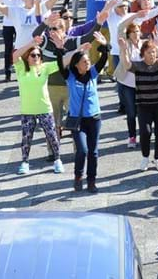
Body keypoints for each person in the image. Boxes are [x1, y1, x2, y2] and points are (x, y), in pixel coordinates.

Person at [118, 28, 158, 172]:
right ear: (143, 55)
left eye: (153, 52)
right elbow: (126, 63)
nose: (152, 55)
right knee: (145, 132)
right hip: (144, 105)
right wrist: (123, 50)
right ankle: (145, 157)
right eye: (149, 53)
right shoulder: (138, 66)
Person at [56, 31, 109, 193]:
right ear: (76, 64)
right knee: (82, 150)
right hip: (77, 120)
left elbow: (103, 58)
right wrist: (60, 49)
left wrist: (104, 45)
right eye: (84, 61)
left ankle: (91, 180)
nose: (88, 63)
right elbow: (60, 64)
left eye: (88, 61)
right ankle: (78, 176)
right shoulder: (70, 76)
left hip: (94, 118)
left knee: (93, 152)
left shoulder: (93, 73)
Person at [12, 36, 64, 175]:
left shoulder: (45, 67)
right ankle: (24, 162)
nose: (36, 57)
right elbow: (15, 55)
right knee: (26, 138)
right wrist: (31, 44)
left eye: (38, 55)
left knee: (52, 135)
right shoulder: (21, 68)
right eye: (33, 55)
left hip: (44, 109)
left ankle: (57, 160)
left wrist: (70, 49)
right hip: (27, 110)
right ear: (27, 57)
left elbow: (63, 62)